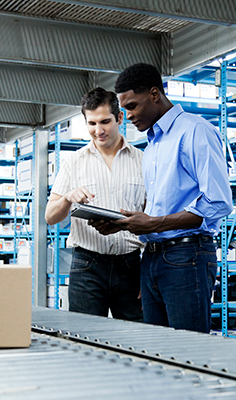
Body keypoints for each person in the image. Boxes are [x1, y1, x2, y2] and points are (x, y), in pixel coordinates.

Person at [91, 63, 232, 333]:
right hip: (154, 259)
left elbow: (218, 202)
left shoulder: (195, 131)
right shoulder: (153, 142)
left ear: (155, 94)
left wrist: (153, 224)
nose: (128, 116)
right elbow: (159, 207)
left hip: (186, 256)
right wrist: (122, 223)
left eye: (132, 106)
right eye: (124, 109)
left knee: (189, 354)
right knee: (159, 354)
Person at [45, 87, 146, 321]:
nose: (98, 131)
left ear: (120, 118)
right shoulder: (74, 162)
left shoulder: (143, 161)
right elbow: (50, 216)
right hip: (87, 265)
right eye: (91, 123)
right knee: (86, 340)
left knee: (135, 342)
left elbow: (152, 216)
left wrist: (148, 274)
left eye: (105, 122)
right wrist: (68, 197)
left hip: (131, 265)